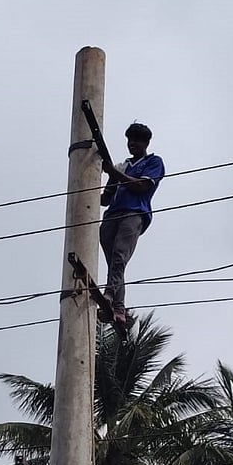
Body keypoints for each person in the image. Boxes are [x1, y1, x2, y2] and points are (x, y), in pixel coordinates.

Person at [98, 122, 164, 328]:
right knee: (116, 263)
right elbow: (106, 198)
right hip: (112, 215)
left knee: (119, 256)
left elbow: (141, 187)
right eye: (130, 140)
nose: (132, 144)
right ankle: (119, 310)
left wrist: (113, 173)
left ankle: (109, 294)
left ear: (146, 142)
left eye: (137, 140)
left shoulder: (153, 162)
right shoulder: (123, 166)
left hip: (134, 213)